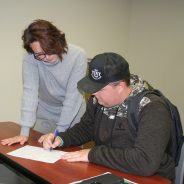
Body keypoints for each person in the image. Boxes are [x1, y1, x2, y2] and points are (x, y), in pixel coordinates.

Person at [38, 52, 174, 181]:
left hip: (152, 178)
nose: (93, 94)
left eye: (100, 89)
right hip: (110, 170)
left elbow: (144, 162)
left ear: (120, 86)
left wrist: (93, 154)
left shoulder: (152, 108)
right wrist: (61, 138)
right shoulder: (98, 100)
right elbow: (86, 128)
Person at [1, 19, 87, 146]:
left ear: (58, 41)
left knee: (66, 158)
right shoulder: (30, 57)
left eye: (49, 50)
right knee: (36, 153)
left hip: (73, 115)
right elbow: (30, 92)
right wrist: (24, 132)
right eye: (39, 54)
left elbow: (73, 97)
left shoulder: (78, 55)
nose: (46, 57)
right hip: (45, 113)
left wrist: (59, 132)